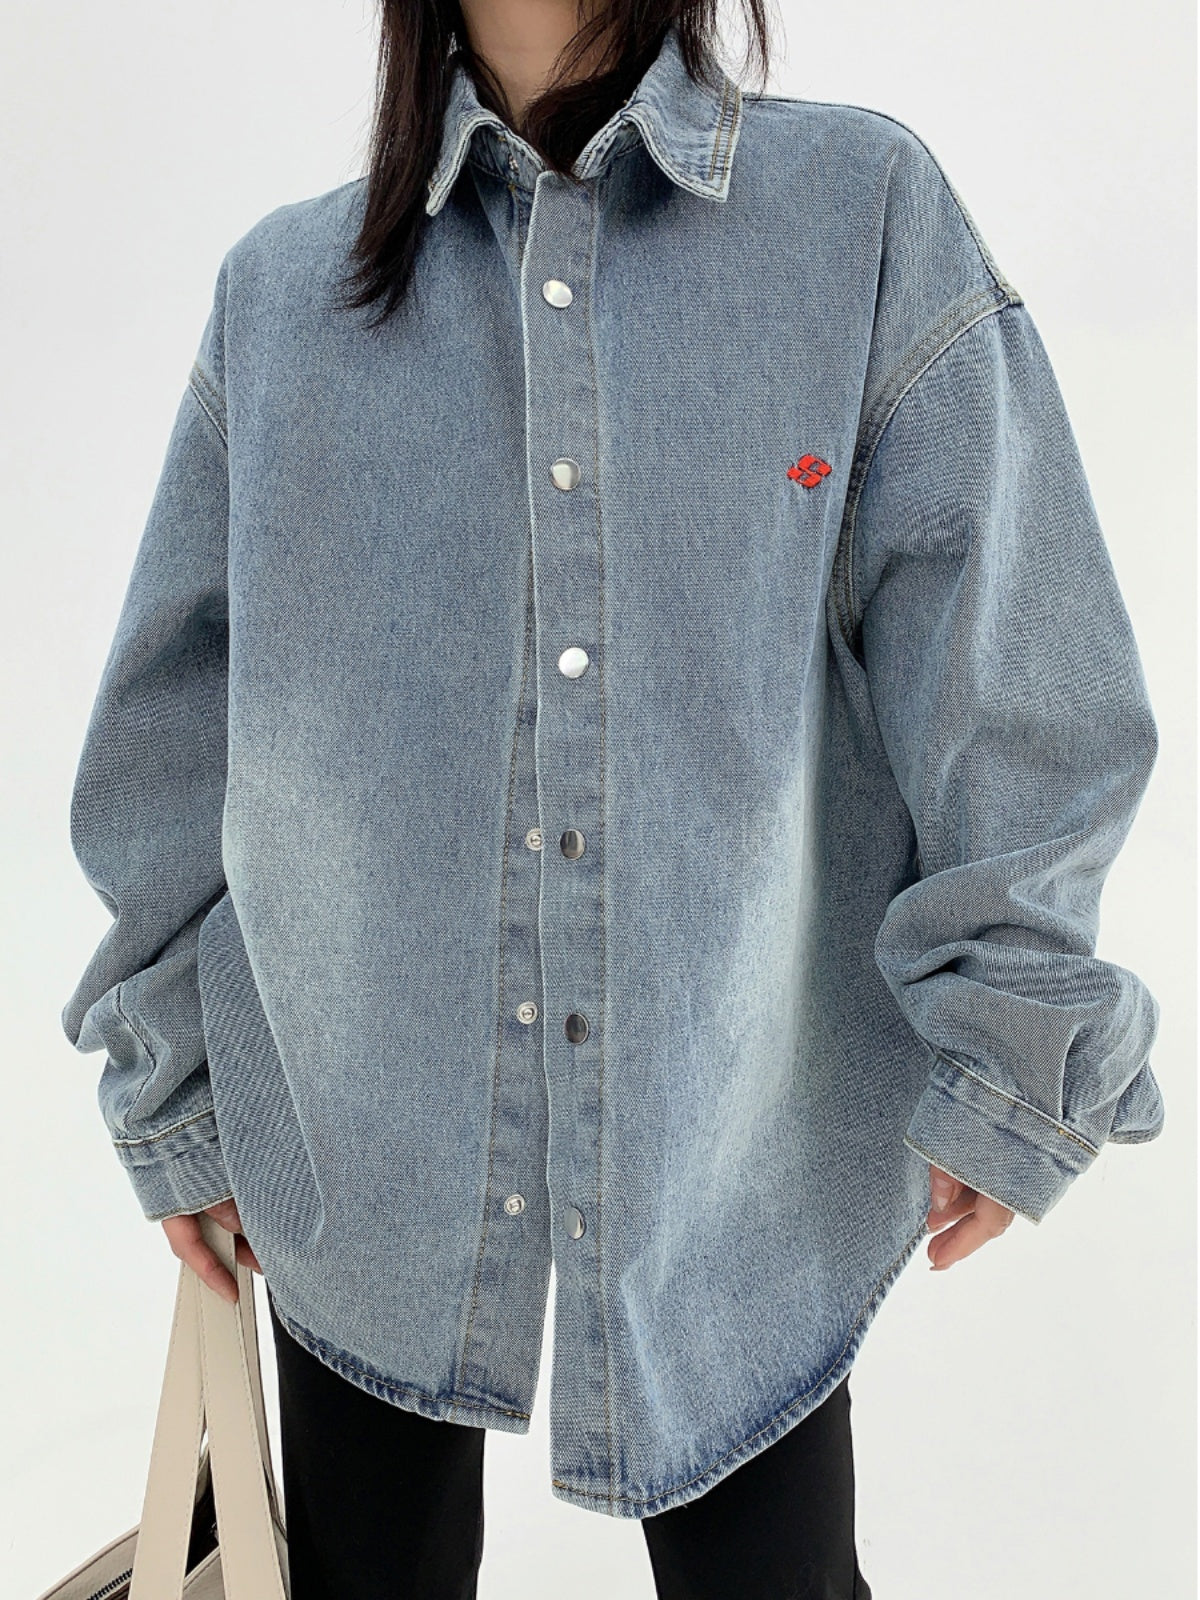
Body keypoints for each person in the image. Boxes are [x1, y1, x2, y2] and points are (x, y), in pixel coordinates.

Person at [61, 0, 1164, 1595]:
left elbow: (1005, 659)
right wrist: (171, 1083)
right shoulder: (282, 296)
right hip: (350, 1141)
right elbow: (174, 729)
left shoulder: (858, 217)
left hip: (739, 1152)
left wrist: (1018, 1032)